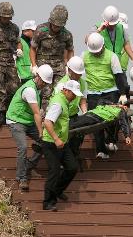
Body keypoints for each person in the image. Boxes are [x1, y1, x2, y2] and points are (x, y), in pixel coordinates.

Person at [5, 65, 53, 191]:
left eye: (46, 83)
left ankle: (29, 164)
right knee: (23, 147)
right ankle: (21, 177)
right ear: (38, 77)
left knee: (47, 141)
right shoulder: (30, 90)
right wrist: (41, 132)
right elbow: (37, 113)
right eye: (44, 81)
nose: (45, 85)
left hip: (28, 120)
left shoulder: (37, 88)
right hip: (16, 120)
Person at [81, 32, 128, 158]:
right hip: (93, 94)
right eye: (93, 51)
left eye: (98, 50)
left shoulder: (111, 56)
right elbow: (77, 73)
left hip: (110, 92)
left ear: (103, 46)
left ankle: (111, 140)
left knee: (112, 119)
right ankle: (100, 150)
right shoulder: (84, 56)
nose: (96, 53)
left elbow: (119, 76)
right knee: (95, 123)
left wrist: (122, 93)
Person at [87, 6, 133, 103]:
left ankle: (124, 115)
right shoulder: (97, 27)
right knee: (108, 95)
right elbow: (87, 41)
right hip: (104, 67)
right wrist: (99, 30)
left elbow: (126, 44)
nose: (112, 26)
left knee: (123, 92)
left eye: (114, 24)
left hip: (117, 66)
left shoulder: (121, 28)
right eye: (110, 24)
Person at [40, 80, 83, 211]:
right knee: (54, 171)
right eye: (73, 94)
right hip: (51, 143)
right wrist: (56, 138)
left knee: (72, 167)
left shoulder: (64, 101)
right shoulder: (58, 103)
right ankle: (48, 202)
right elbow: (47, 122)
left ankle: (57, 191)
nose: (75, 97)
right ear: (66, 91)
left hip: (62, 143)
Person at [30, 4, 74, 111]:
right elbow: (32, 49)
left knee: (60, 92)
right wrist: (34, 65)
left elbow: (70, 50)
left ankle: (57, 117)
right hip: (43, 66)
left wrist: (69, 65)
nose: (56, 27)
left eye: (58, 26)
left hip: (59, 67)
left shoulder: (67, 35)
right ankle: (44, 118)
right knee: (46, 94)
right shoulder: (41, 30)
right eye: (54, 25)